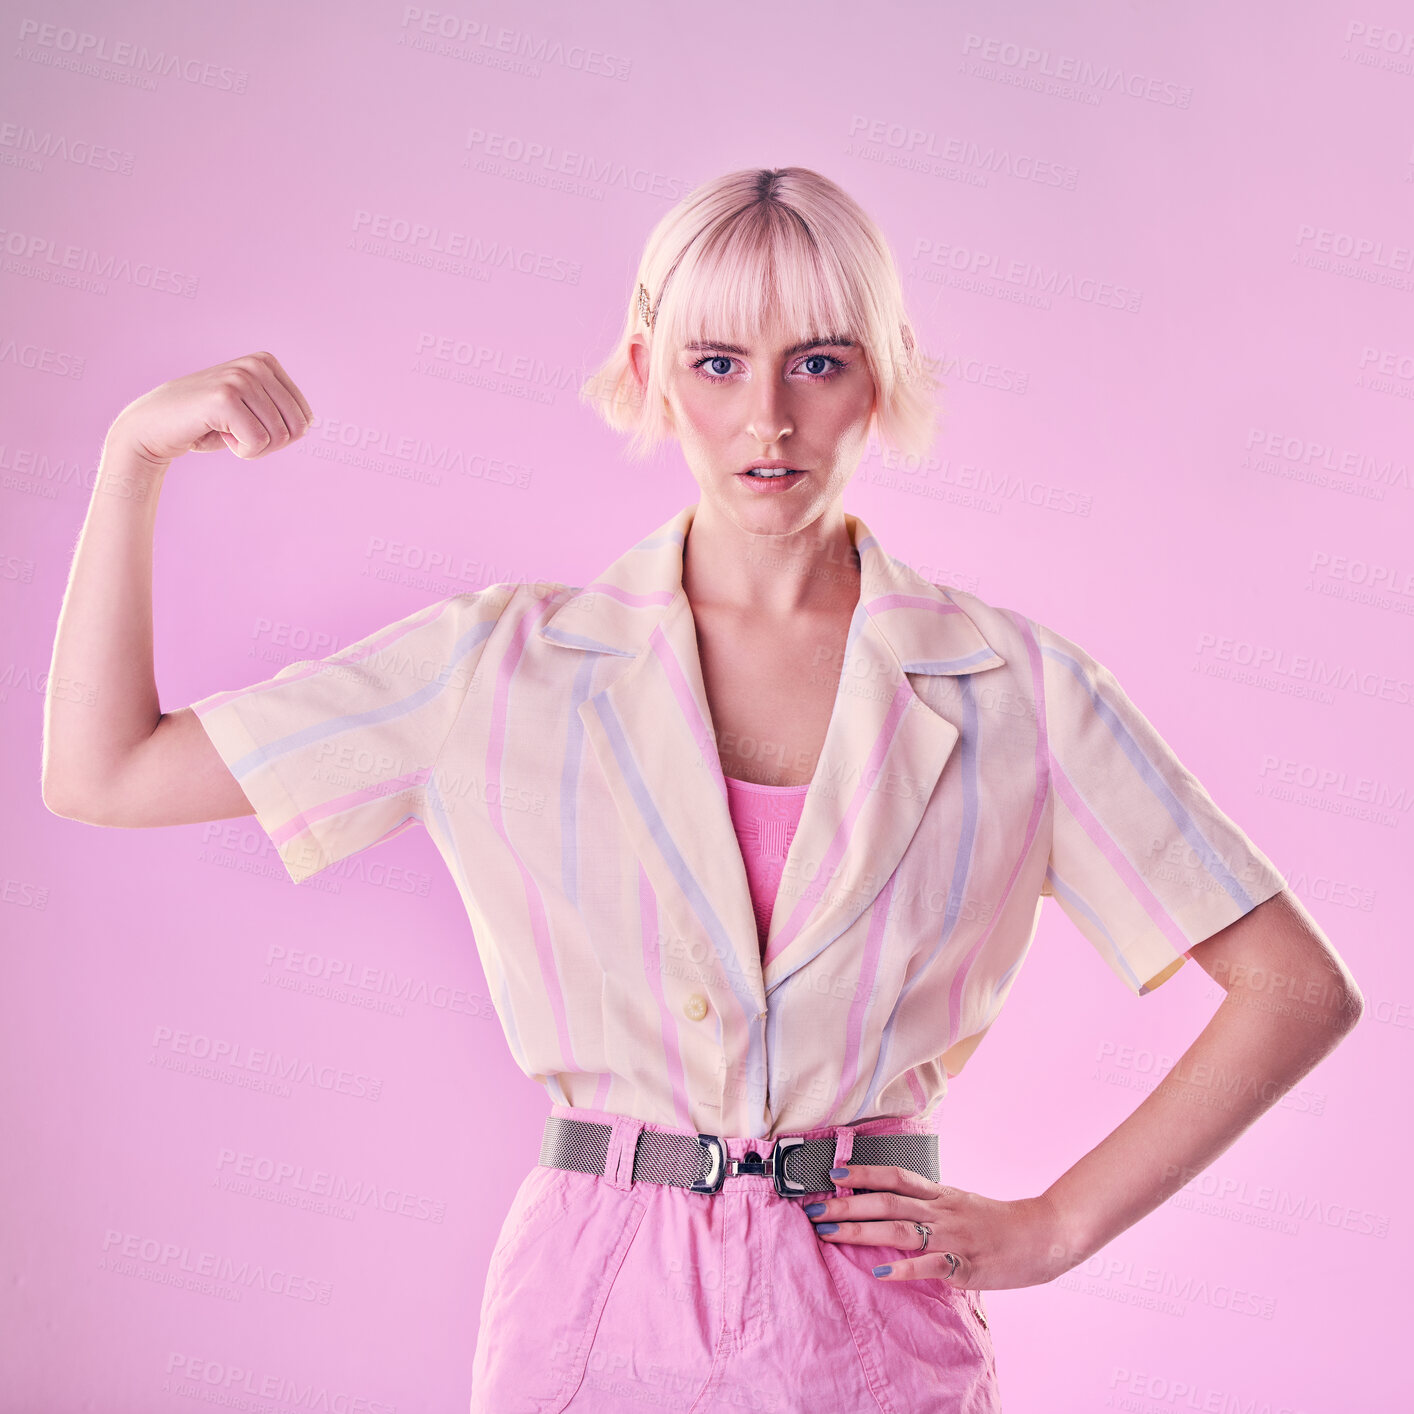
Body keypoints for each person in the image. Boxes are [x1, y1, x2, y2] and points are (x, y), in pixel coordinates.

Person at [42, 167, 1363, 1413]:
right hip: (594, 1307)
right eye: (717, 363)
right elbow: (103, 771)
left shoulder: (1012, 683)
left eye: (819, 363)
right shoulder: (496, 666)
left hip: (875, 1320)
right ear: (647, 372)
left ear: (882, 377)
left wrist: (1056, 1226)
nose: (767, 419)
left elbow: (1296, 986)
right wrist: (129, 457)